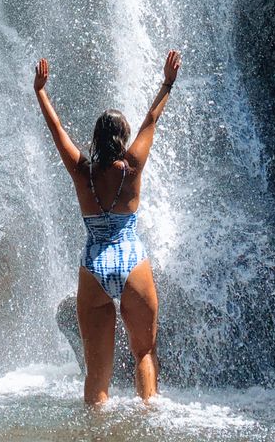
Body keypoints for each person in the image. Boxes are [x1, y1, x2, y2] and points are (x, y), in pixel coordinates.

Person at [33, 49, 181, 405]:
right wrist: (167, 84)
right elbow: (151, 120)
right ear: (122, 137)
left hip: (95, 262)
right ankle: (148, 422)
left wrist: (41, 91)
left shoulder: (82, 171)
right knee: (144, 353)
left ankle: (96, 431)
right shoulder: (132, 166)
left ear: (96, 139)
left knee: (97, 375)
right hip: (131, 258)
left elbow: (57, 130)